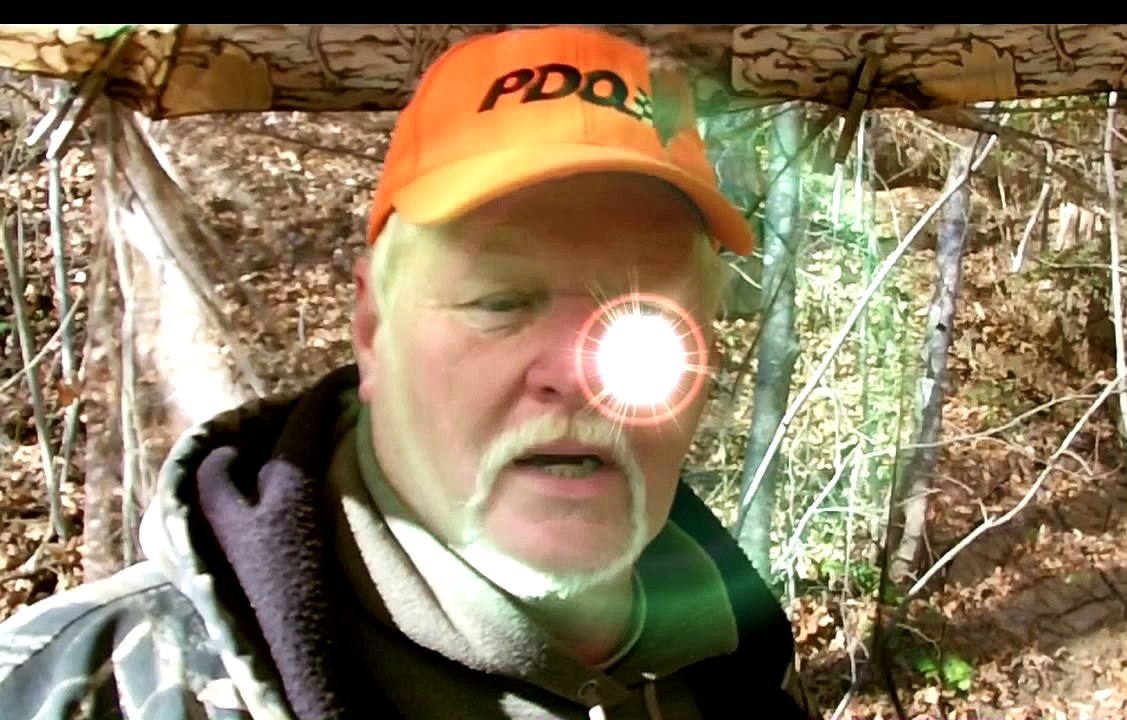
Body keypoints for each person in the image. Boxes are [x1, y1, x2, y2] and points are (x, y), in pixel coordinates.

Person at [0, 25, 820, 720]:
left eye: (645, 316)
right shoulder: (82, 687)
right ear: (371, 329)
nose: (583, 376)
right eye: (503, 299)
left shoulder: (741, 672)